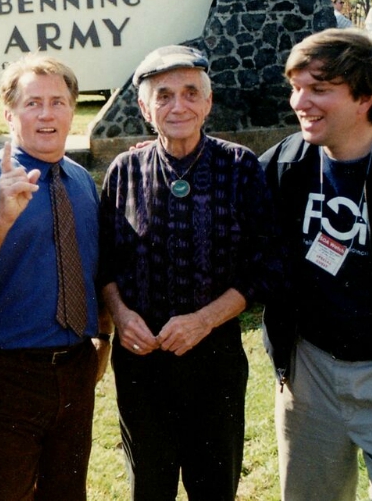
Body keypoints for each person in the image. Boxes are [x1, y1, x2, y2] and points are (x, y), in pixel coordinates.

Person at [260, 28, 372, 501]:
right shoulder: (288, 162)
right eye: (296, 86)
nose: (300, 101)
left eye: (320, 89)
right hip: (311, 375)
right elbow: (222, 190)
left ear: (365, 95)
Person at [98, 45, 278, 501]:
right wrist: (120, 315)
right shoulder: (124, 171)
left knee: (213, 487)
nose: (178, 105)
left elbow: (264, 266)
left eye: (190, 93)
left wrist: (204, 320)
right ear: (144, 107)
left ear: (207, 103)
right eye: (163, 95)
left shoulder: (239, 167)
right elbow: (105, 262)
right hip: (142, 357)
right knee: (149, 486)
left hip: (213, 356)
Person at [0, 56, 107, 501]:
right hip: (4, 375)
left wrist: (102, 341)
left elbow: (95, 271)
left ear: (72, 111)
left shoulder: (82, 182)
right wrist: (0, 219)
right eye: (33, 103)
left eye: (58, 102)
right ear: (9, 114)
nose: (47, 114)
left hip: (73, 370)